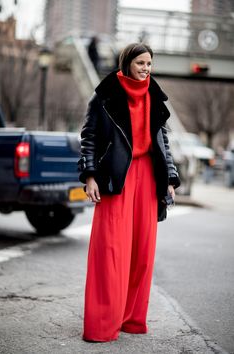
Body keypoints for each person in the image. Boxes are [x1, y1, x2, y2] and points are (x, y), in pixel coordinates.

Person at [78, 43, 180, 342]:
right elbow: (90, 137)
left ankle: (132, 319)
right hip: (115, 179)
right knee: (110, 252)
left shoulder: (154, 96)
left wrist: (170, 179)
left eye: (150, 63)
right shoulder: (105, 94)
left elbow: (163, 143)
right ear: (127, 63)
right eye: (141, 63)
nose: (146, 68)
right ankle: (102, 325)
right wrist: (90, 176)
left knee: (142, 252)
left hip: (148, 178)